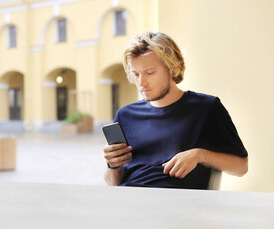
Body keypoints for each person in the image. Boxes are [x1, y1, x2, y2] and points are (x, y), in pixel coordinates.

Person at [103, 31, 248, 189]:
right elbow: (113, 183)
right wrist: (113, 165)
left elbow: (241, 167)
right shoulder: (125, 115)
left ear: (171, 68)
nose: (141, 83)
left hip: (176, 206)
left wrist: (200, 155)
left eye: (150, 73)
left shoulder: (206, 108)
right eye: (135, 74)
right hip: (128, 202)